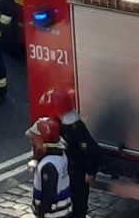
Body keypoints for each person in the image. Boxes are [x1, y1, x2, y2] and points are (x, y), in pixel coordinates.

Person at [41, 88, 100, 218]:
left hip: (78, 170)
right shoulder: (62, 122)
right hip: (69, 168)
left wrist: (90, 172)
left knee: (79, 200)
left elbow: (92, 151)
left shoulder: (75, 128)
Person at [26, 117, 72, 218]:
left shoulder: (49, 166)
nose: (32, 142)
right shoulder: (60, 154)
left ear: (43, 141)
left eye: (34, 139)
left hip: (53, 215)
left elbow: (48, 196)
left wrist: (41, 212)